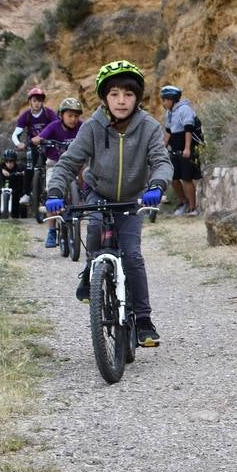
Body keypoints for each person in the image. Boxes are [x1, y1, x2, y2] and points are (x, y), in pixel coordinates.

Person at [44, 61, 172, 347]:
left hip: (132, 198)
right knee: (95, 228)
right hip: (98, 193)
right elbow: (68, 163)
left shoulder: (149, 127)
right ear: (104, 98)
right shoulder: (92, 127)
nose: (121, 101)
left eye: (128, 94)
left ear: (137, 97)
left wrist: (156, 185)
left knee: (133, 255)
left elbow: (162, 162)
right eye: (114, 94)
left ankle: (143, 320)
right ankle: (91, 273)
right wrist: (54, 192)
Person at [37, 97, 86, 248]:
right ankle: (52, 231)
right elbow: (40, 137)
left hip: (76, 163)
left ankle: (83, 193)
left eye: (76, 116)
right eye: (70, 115)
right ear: (61, 115)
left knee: (87, 170)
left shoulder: (82, 127)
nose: (73, 119)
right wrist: (39, 140)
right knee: (52, 193)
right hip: (54, 163)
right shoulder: (53, 126)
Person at [159, 84, 202, 216]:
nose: (163, 102)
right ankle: (184, 203)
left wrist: (187, 148)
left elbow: (188, 129)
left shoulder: (185, 109)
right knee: (173, 178)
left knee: (186, 179)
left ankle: (193, 208)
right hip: (176, 150)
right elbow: (168, 131)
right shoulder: (169, 113)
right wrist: (162, 148)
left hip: (187, 149)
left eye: (164, 99)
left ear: (171, 99)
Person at [11, 85, 58, 155]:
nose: (37, 103)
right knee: (31, 163)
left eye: (39, 100)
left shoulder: (49, 113)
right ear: (30, 102)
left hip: (49, 145)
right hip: (33, 146)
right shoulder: (25, 116)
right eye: (34, 100)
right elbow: (15, 135)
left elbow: (58, 127)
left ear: (42, 102)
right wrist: (18, 144)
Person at [0, 148, 27, 219]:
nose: (9, 163)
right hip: (4, 191)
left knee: (19, 207)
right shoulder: (1, 166)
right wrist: (1, 170)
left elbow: (29, 170)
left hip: (18, 191)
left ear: (15, 161)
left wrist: (24, 173)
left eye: (11, 161)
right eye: (6, 161)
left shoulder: (20, 167)